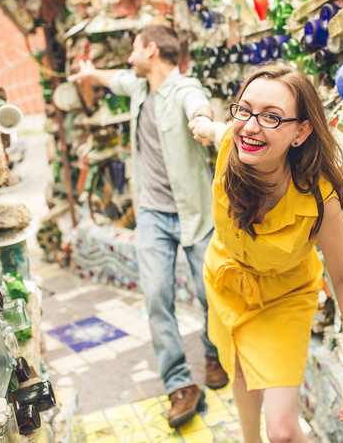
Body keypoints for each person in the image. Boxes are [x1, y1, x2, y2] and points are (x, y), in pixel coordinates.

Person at [188, 64, 343, 442]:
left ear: (301, 131)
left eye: (271, 117)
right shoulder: (230, 145)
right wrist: (201, 118)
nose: (251, 127)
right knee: (238, 370)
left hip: (285, 296)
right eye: (244, 109)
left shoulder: (320, 200)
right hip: (226, 280)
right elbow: (211, 129)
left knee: (283, 432)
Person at [68, 24, 228, 428]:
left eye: (134, 49)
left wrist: (204, 123)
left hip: (194, 212)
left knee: (211, 296)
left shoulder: (184, 89)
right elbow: (115, 78)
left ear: (151, 50)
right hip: (153, 216)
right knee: (157, 297)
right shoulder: (141, 90)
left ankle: (215, 354)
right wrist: (89, 74)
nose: (129, 57)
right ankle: (178, 383)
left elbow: (199, 104)